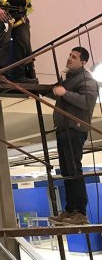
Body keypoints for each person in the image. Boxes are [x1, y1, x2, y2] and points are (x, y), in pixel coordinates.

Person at [49, 47, 99, 226]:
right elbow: (62, 96)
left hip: (74, 129)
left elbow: (87, 102)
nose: (70, 58)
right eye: (70, 55)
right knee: (67, 171)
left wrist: (64, 93)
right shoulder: (69, 78)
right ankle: (70, 209)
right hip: (64, 128)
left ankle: (80, 212)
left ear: (83, 62)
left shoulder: (87, 80)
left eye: (74, 57)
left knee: (73, 169)